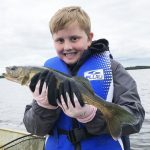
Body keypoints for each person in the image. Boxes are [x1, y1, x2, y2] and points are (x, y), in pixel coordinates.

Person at [23, 6, 145, 150]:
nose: (67, 46)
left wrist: (91, 116)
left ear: (89, 38)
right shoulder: (48, 74)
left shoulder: (113, 69)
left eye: (74, 38)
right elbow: (35, 129)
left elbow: (135, 119)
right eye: (60, 40)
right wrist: (43, 107)